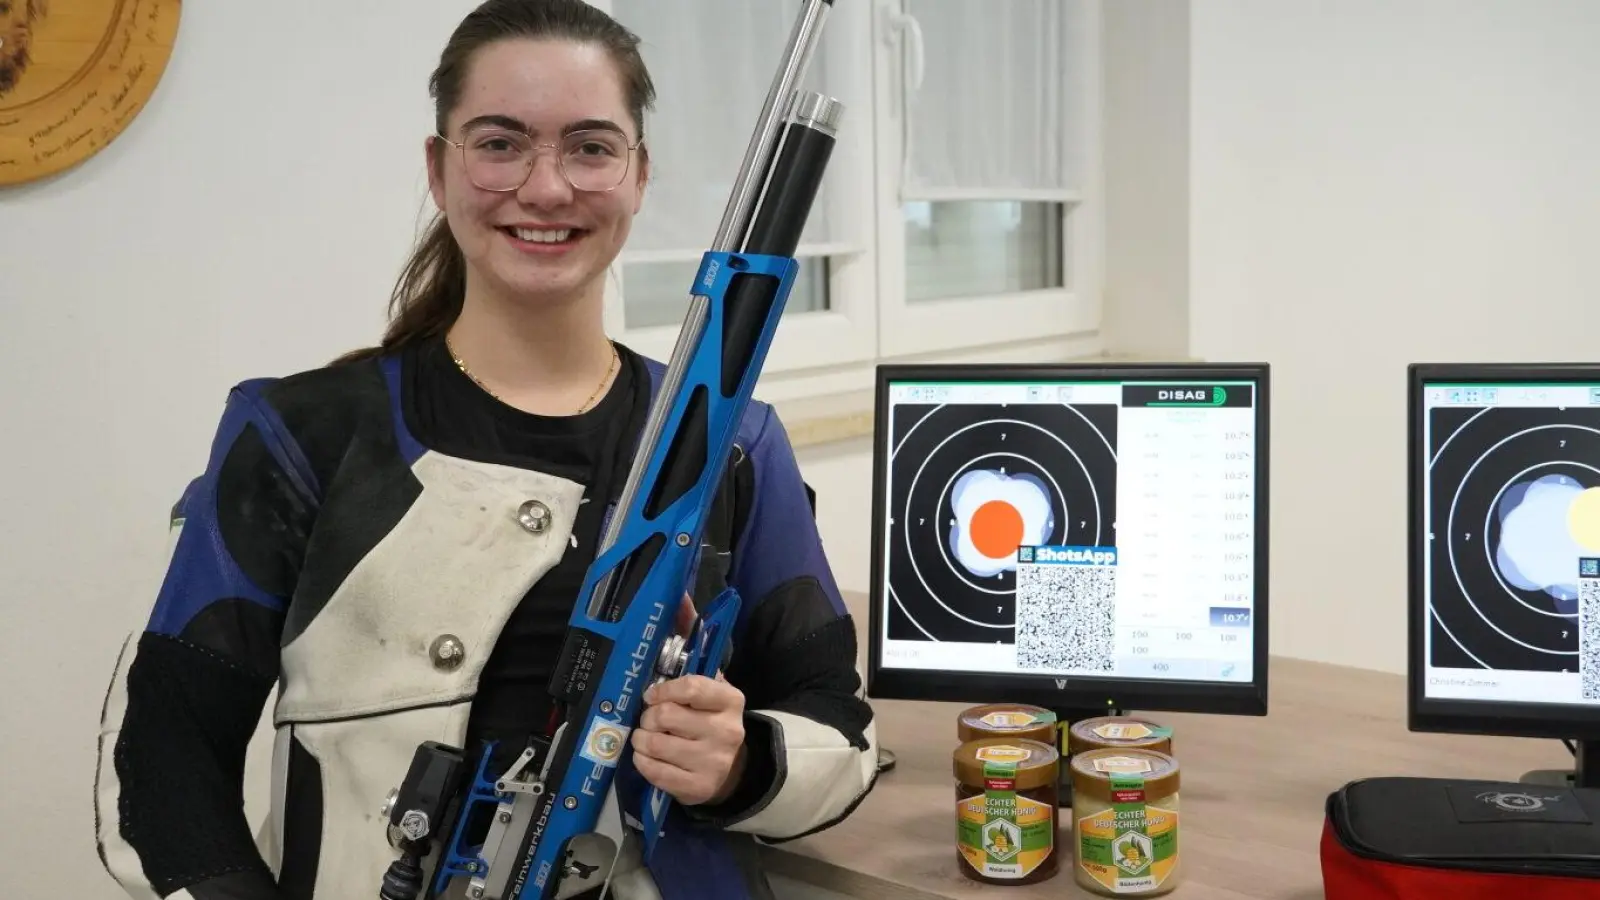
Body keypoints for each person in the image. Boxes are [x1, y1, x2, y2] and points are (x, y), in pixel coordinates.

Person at [92, 1, 879, 898]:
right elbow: (163, 762)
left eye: (590, 146)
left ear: (639, 174)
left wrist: (743, 762)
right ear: (439, 167)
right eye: (500, 143)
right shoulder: (298, 434)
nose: (546, 189)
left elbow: (840, 730)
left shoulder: (737, 444)